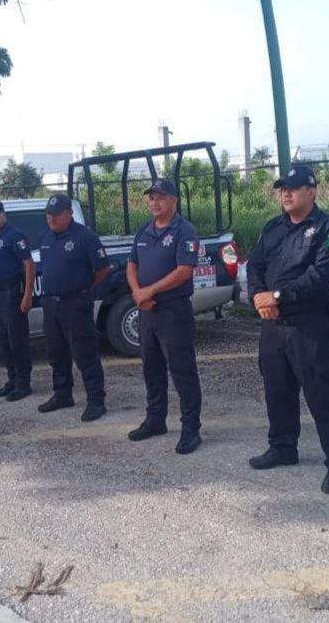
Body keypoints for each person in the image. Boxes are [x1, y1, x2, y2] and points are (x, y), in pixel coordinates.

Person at [246, 165, 329, 495]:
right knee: (277, 391)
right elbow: (255, 265)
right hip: (273, 326)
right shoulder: (273, 228)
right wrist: (258, 296)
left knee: (323, 396)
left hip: (310, 327)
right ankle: (283, 447)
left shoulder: (328, 230)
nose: (286, 194)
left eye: (293, 188)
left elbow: (320, 276)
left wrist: (278, 296)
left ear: (312, 191)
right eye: (283, 189)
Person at [126, 178, 203, 455]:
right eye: (151, 197)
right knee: (152, 368)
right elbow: (132, 264)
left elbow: (184, 271)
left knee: (182, 371)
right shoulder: (144, 231)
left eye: (160, 197)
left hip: (173, 311)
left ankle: (191, 429)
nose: (154, 202)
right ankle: (155, 419)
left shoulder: (184, 231)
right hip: (147, 311)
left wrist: (150, 291)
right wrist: (137, 292)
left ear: (174, 200)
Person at [37, 193, 113, 422]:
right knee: (56, 353)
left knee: (84, 353)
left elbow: (103, 268)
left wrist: (83, 287)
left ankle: (96, 401)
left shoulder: (84, 236)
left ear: (69, 213)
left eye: (56, 214)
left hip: (75, 304)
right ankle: (62, 394)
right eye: (48, 215)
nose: (51, 219)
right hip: (52, 304)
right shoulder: (46, 237)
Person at [0, 198, 35, 401]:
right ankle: (12, 380)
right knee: (3, 339)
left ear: (3, 213)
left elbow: (29, 264)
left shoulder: (14, 235)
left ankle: (23, 383)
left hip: (12, 293)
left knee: (17, 339)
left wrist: (27, 295)